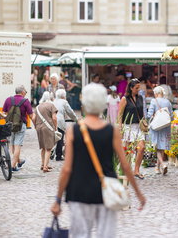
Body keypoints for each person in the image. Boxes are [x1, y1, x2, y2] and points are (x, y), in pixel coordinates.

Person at [50, 83, 146, 236]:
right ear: (103, 104)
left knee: (80, 234)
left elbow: (67, 169)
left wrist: (58, 199)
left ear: (84, 104)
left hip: (79, 190)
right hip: (105, 191)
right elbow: (125, 165)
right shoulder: (111, 131)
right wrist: (139, 194)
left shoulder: (73, 131)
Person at [118, 79, 146, 179]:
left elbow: (142, 112)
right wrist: (120, 128)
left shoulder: (140, 98)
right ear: (131, 88)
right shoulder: (124, 99)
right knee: (128, 149)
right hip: (128, 126)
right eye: (136, 88)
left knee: (141, 147)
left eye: (139, 87)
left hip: (138, 126)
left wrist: (144, 124)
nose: (138, 89)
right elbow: (120, 115)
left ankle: (136, 170)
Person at [3, 85, 35, 172]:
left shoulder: (8, 99)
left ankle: (19, 162)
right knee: (17, 146)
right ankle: (13, 166)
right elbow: (31, 116)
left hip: (10, 125)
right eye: (25, 91)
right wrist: (35, 124)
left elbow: (4, 113)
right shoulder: (25, 101)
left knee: (13, 145)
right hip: (21, 126)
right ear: (22, 92)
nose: (25, 93)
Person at [147, 86, 174, 175]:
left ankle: (162, 164)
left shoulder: (154, 101)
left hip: (156, 127)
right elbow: (172, 116)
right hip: (165, 127)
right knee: (161, 147)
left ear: (156, 93)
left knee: (157, 148)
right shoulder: (168, 102)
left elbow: (149, 114)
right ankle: (157, 168)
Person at [33, 92, 58, 172]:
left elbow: (33, 118)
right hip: (48, 128)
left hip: (39, 128)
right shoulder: (51, 105)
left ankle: (43, 164)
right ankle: (45, 167)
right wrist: (56, 127)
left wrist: (35, 126)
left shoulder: (37, 107)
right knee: (48, 148)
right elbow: (54, 118)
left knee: (43, 147)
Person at [54, 89, 79, 161]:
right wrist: (76, 119)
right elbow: (70, 112)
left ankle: (51, 153)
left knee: (54, 137)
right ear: (63, 96)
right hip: (59, 122)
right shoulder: (64, 102)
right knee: (60, 138)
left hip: (52, 121)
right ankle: (58, 156)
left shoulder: (53, 101)